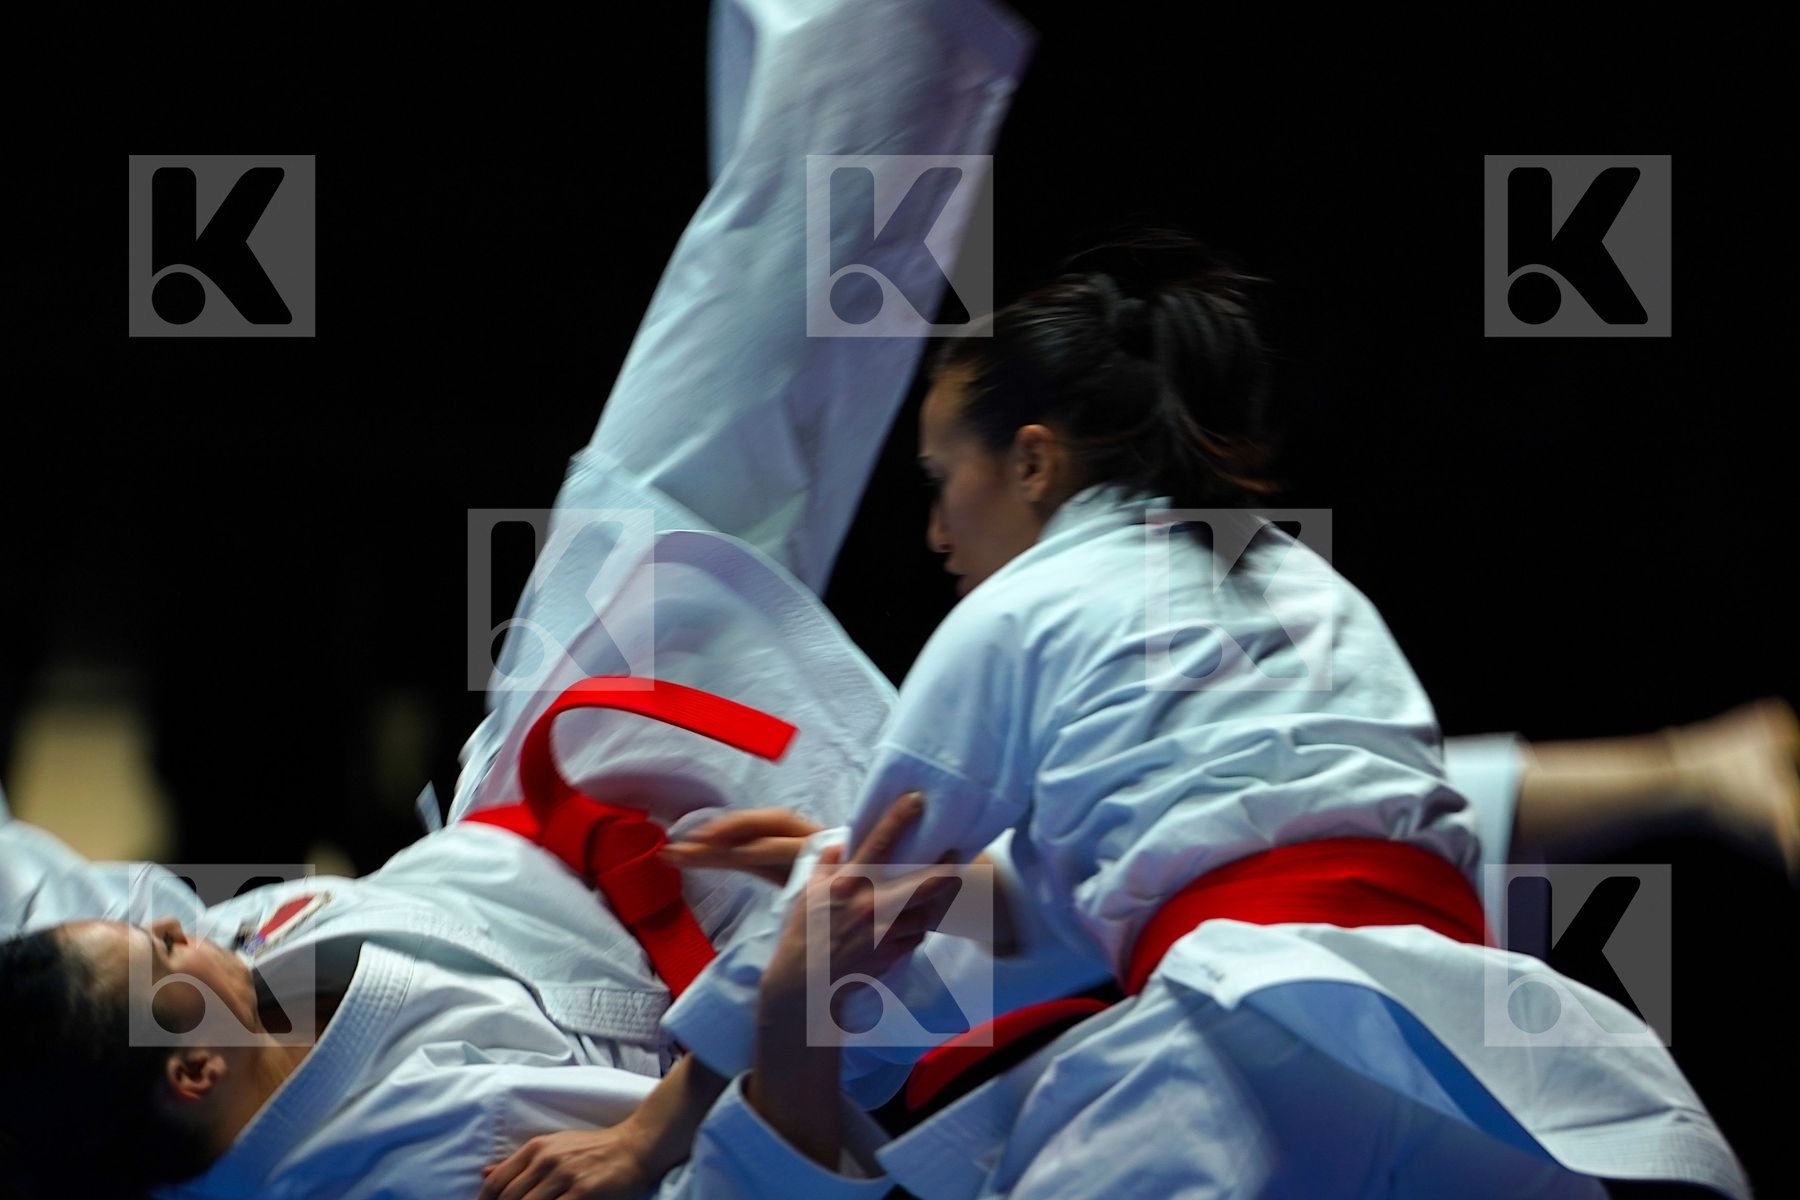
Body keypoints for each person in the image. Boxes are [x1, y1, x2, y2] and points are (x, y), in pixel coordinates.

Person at [0, 1, 1033, 1197]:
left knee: (717, 381)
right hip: (731, 925)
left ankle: (881, 32)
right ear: (191, 1075)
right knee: (1036, 861)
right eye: (168, 955)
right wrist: (754, 1039)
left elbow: (122, 945)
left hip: (548, 789)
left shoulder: (194, 1033)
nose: (190, 928)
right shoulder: (431, 1161)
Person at [555, 231, 1759, 1197]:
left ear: (1032, 463)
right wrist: (874, 870)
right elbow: (1112, 894)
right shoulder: (1310, 586)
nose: (932, 533)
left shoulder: (1020, 608)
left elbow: (854, 919)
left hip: (1243, 1045)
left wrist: (657, 1130)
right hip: (1459, 1047)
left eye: (940, 483)